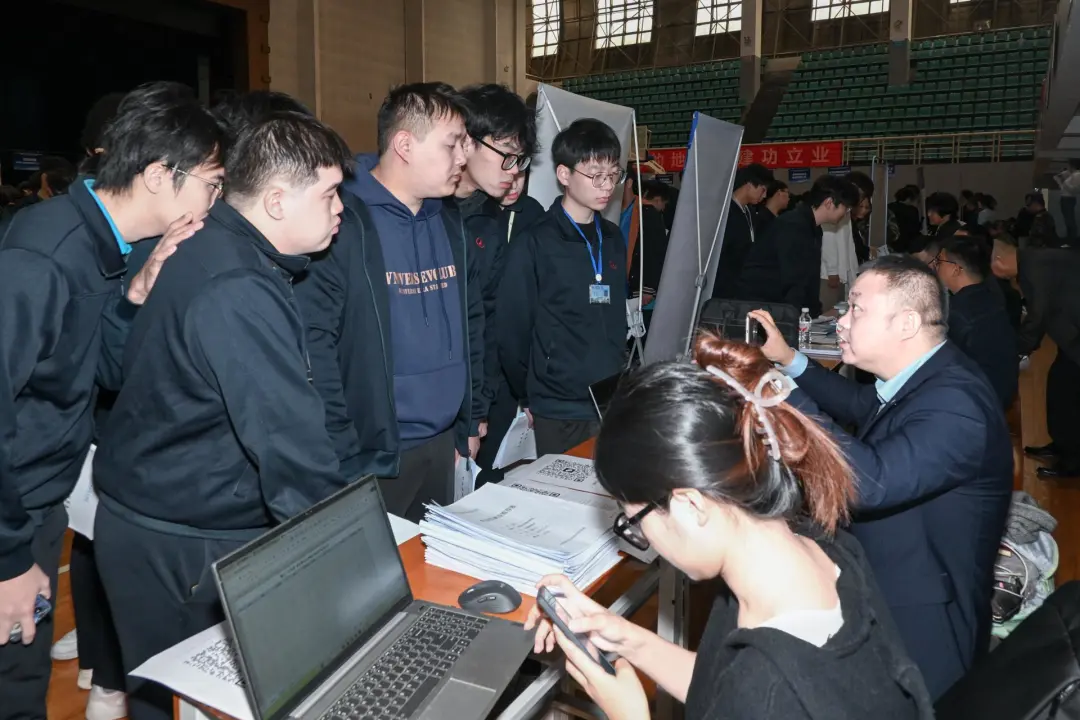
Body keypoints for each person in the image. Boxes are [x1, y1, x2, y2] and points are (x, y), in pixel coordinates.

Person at [524, 333, 935, 719]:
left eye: (634, 522)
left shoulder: (767, 688)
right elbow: (723, 687)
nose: (641, 536)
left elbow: (750, 694)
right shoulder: (823, 550)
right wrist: (627, 638)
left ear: (690, 505)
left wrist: (629, 713)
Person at [93, 111, 352, 720]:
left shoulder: (208, 243)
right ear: (277, 201)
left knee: (160, 700)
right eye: (329, 194)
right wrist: (342, 560)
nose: (341, 208)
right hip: (189, 537)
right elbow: (288, 444)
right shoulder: (239, 285)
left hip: (152, 514)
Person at [0, 82, 222, 720]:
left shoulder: (109, 249)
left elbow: (98, 370)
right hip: (13, 510)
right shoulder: (45, 256)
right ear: (157, 175)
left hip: (37, 501)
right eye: (211, 183)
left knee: (23, 675)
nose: (215, 202)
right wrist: (8, 558)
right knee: (15, 686)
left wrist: (133, 301)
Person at [749, 254, 1013, 699]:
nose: (842, 321)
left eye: (856, 309)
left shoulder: (958, 406)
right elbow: (859, 405)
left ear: (907, 323)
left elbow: (868, 484)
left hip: (925, 620)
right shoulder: (928, 373)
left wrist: (779, 399)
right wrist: (790, 360)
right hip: (894, 576)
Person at [294, 82, 484, 521]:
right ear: (404, 145)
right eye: (452, 144)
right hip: (375, 453)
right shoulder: (343, 222)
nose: (463, 157)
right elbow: (317, 345)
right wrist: (343, 449)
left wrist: (471, 419)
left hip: (443, 444)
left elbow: (473, 321)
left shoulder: (449, 219)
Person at [497, 118, 628, 455]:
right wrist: (528, 393)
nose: (607, 185)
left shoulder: (613, 238)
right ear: (564, 175)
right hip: (558, 404)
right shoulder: (535, 242)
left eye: (613, 174)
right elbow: (513, 331)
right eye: (596, 175)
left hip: (609, 398)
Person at [452, 83, 536, 465]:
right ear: (468, 142)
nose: (514, 171)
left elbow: (486, 321)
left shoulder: (490, 220)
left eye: (520, 160)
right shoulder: (428, 210)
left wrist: (477, 410)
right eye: (507, 156)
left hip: (473, 401)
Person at [992, 238, 1080, 478]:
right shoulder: (1034, 260)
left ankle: (1072, 461)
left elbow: (1037, 315)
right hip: (1071, 335)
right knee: (1059, 388)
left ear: (999, 261)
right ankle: (1062, 445)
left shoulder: (1034, 268)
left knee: (1068, 396)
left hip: (1075, 336)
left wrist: (1019, 350)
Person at [736, 175, 857, 318]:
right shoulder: (793, 226)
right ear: (829, 203)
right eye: (846, 208)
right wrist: (796, 319)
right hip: (764, 307)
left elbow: (810, 280)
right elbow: (792, 281)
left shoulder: (813, 228)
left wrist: (815, 315)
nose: (846, 213)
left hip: (781, 307)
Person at [930, 233, 1019, 409]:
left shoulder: (958, 314)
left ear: (956, 269)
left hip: (975, 402)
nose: (935, 266)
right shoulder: (991, 296)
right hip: (1001, 392)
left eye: (940, 261)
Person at [712, 163, 772, 299]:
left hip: (744, 285)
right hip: (724, 287)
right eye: (763, 190)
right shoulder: (725, 212)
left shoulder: (749, 212)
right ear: (749, 185)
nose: (764, 196)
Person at [821, 172, 873, 312]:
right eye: (861, 194)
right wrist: (832, 271)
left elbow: (849, 246)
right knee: (827, 314)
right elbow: (828, 237)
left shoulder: (847, 209)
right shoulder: (834, 205)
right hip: (829, 275)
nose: (861, 199)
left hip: (841, 274)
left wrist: (853, 274)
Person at [887, 185, 923, 254]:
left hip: (890, 246)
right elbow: (914, 232)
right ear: (910, 198)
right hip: (905, 248)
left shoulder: (889, 207)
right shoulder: (912, 211)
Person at [1054, 159, 1080, 242]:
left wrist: (1064, 182)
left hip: (1069, 198)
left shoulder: (1077, 175)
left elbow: (1074, 190)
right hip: (1065, 198)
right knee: (1067, 219)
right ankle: (1070, 238)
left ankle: (1072, 239)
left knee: (1069, 220)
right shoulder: (1072, 174)